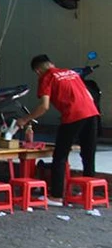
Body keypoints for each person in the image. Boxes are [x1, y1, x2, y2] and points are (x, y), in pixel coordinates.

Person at [17, 54, 100, 203]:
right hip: (92, 113)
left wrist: (25, 119)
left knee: (60, 156)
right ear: (51, 63)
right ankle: (89, 194)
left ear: (37, 71)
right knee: (88, 154)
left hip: (73, 115)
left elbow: (44, 106)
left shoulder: (46, 78)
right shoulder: (71, 73)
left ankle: (56, 196)